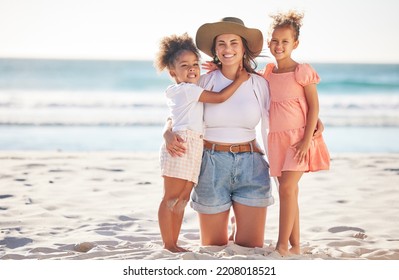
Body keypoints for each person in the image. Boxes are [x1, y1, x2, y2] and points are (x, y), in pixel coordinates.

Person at [164, 17, 275, 248]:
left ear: (243, 47)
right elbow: (179, 113)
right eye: (221, 43)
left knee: (250, 247)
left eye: (234, 42)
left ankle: (239, 222)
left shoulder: (259, 84)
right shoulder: (203, 81)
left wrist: (315, 121)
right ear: (215, 50)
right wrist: (167, 132)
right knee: (213, 247)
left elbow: (281, 113)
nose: (227, 49)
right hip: (211, 165)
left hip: (251, 165)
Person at [154, 32, 249, 252]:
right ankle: (168, 243)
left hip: (194, 144)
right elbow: (220, 97)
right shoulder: (186, 90)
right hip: (182, 144)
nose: (192, 69)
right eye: (184, 65)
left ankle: (174, 242)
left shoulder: (190, 89)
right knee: (171, 197)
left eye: (195, 64)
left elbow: (172, 117)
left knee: (183, 198)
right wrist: (239, 80)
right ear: (172, 72)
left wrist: (216, 69)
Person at [260, 10, 330, 256]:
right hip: (277, 139)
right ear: (269, 42)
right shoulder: (268, 72)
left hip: (300, 138)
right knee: (290, 191)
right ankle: (296, 245)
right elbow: (244, 78)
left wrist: (305, 140)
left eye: (285, 41)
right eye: (275, 41)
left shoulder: (302, 71)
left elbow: (314, 107)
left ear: (295, 44)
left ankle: (281, 246)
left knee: (287, 189)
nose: (279, 46)